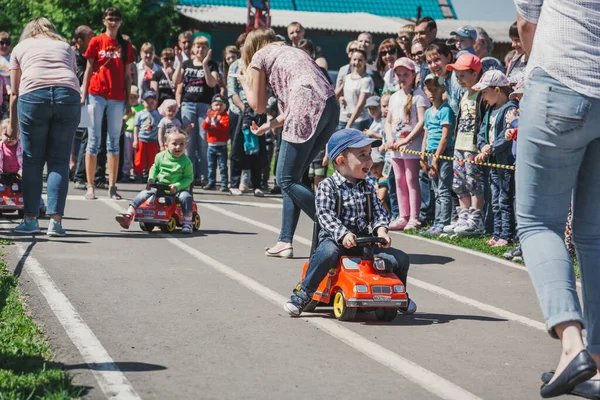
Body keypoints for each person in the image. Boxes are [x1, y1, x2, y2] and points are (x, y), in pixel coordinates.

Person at [513, 1, 600, 397]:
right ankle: (596, 364)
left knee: (537, 221)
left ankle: (572, 346)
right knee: (596, 237)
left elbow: (526, 25)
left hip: (561, 81)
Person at [282, 128, 415, 317]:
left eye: (369, 154)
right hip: (335, 240)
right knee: (327, 253)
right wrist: (343, 234)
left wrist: (382, 230)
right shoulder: (327, 186)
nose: (369, 160)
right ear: (341, 160)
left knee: (400, 258)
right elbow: (325, 214)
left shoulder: (368, 186)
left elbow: (378, 211)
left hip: (363, 241)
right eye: (362, 155)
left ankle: (399, 295)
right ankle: (304, 293)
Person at [240, 27, 339, 258]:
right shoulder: (293, 52)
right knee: (292, 179)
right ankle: (285, 240)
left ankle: (333, 223)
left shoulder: (260, 55)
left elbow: (258, 106)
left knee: (285, 178)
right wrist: (269, 125)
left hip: (307, 104)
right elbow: (306, 93)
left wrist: (245, 82)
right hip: (330, 106)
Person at [8, 17, 81, 236]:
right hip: (68, 95)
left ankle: (30, 220)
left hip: (33, 97)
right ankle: (55, 223)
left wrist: (12, 126)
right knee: (59, 161)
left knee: (32, 160)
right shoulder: (64, 46)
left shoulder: (20, 48)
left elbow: (14, 92)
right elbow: (72, 73)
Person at [81, 7, 135, 201]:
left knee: (114, 142)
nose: (113, 22)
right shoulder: (96, 41)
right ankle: (90, 186)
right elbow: (88, 69)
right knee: (94, 140)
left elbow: (128, 76)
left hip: (117, 96)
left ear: (120, 22)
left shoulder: (126, 45)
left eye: (116, 19)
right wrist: (83, 92)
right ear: (104, 20)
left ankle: (112, 186)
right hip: (96, 93)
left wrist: (129, 101)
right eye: (110, 18)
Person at [115, 129, 195, 233]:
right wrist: (151, 179)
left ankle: (188, 222)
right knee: (144, 194)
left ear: (185, 146)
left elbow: (189, 178)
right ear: (166, 145)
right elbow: (154, 168)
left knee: (186, 197)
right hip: (161, 186)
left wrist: (177, 185)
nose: (178, 147)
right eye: (174, 144)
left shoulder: (186, 162)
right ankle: (130, 213)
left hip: (178, 189)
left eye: (181, 144)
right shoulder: (160, 156)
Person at [443, 54, 486, 236]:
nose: (459, 79)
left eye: (462, 75)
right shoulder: (464, 95)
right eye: (457, 76)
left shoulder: (481, 96)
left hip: (472, 146)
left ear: (474, 74)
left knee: (473, 181)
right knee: (458, 182)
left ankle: (476, 219)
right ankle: (464, 216)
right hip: (460, 144)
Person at [385, 58, 430, 231]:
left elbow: (421, 121)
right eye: (399, 74)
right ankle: (403, 216)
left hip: (411, 146)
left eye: (406, 74)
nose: (402, 77)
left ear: (413, 74)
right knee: (399, 180)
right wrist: (390, 138)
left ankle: (414, 217)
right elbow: (388, 121)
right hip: (396, 146)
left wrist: (407, 139)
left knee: (411, 179)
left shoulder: (419, 96)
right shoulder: (394, 97)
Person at [473, 70, 517, 247]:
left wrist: (491, 148)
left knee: (504, 199)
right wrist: (482, 145)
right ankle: (497, 233)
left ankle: (506, 234)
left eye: (484, 92)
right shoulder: (490, 109)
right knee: (495, 198)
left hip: (504, 163)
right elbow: (481, 130)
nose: (483, 96)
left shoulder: (510, 109)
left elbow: (507, 136)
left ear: (497, 90)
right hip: (493, 162)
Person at [174, 35, 219, 186]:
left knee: (203, 141)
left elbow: (212, 83)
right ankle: (189, 175)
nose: (200, 49)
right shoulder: (186, 64)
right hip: (188, 105)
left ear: (207, 50)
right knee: (189, 142)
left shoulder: (212, 65)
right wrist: (180, 64)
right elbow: (176, 81)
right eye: (198, 47)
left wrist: (204, 65)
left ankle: (205, 176)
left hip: (204, 106)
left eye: (203, 47)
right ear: (193, 49)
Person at [420, 74, 455, 236]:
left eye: (435, 89)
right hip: (429, 153)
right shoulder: (428, 112)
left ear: (442, 89)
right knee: (435, 190)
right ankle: (436, 221)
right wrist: (422, 155)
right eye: (429, 90)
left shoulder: (445, 110)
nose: (432, 93)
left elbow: (445, 136)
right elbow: (426, 135)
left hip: (442, 154)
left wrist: (435, 160)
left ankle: (443, 222)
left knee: (442, 189)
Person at [336, 49, 374, 131]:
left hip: (358, 121)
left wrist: (349, 124)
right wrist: (340, 97)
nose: (356, 63)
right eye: (354, 59)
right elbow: (336, 95)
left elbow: (360, 105)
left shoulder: (367, 80)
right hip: (343, 119)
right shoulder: (347, 77)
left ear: (365, 61)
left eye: (360, 60)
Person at [202, 94, 229, 191]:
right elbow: (204, 126)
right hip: (211, 145)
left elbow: (224, 128)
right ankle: (211, 182)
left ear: (225, 106)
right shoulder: (211, 115)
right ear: (212, 106)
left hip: (221, 145)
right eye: (216, 105)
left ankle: (224, 184)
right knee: (211, 166)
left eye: (221, 105)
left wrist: (216, 122)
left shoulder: (225, 116)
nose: (218, 107)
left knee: (222, 166)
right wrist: (209, 119)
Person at [133, 90, 161, 180]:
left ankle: (151, 175)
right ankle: (138, 174)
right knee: (139, 158)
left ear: (155, 102)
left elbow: (160, 128)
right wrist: (135, 140)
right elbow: (136, 127)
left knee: (152, 159)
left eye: (152, 102)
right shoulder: (139, 114)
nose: (150, 104)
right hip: (142, 139)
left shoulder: (158, 115)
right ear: (142, 102)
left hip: (153, 140)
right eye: (147, 102)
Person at [121, 86, 144, 182]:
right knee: (127, 153)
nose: (133, 99)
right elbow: (122, 119)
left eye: (135, 97)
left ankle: (138, 172)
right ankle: (126, 173)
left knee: (138, 154)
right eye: (130, 97)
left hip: (140, 133)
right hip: (128, 131)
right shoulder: (126, 107)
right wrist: (128, 115)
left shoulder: (141, 108)